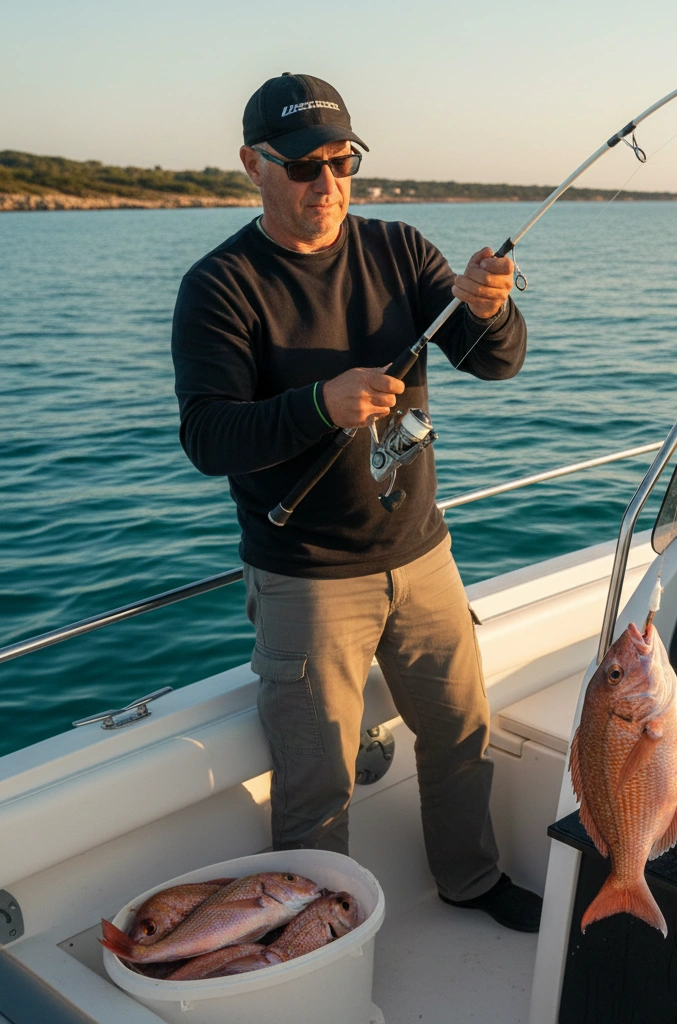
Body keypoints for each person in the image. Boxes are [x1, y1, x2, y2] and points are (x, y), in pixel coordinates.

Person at [171, 73, 539, 931]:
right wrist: (317, 405)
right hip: (305, 580)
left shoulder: (400, 250)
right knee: (316, 785)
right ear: (253, 167)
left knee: (461, 739)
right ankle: (312, 942)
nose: (327, 184)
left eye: (343, 161)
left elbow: (492, 361)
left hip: (422, 555)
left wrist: (494, 307)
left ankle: (471, 880)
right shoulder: (221, 286)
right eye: (303, 167)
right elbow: (207, 437)